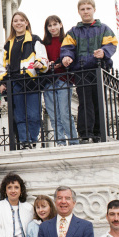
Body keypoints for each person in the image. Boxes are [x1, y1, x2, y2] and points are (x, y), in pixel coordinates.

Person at [60, 0, 118, 143]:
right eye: (82, 9)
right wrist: (67, 57)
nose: (86, 12)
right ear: (79, 12)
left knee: (98, 101)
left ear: (94, 10)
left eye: (88, 8)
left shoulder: (104, 28)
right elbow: (67, 48)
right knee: (84, 103)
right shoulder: (73, 32)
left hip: (99, 70)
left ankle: (98, 133)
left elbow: (111, 44)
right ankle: (85, 134)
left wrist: (104, 52)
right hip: (81, 71)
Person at [0, 11, 48, 149]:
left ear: (26, 22)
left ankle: (32, 140)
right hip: (15, 82)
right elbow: (3, 65)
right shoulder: (8, 44)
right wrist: (2, 82)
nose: (18, 23)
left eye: (21, 20)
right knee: (19, 115)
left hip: (31, 81)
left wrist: (40, 63)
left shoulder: (34, 39)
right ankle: (24, 142)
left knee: (34, 114)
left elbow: (42, 56)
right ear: (12, 24)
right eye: (15, 21)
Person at [42, 16, 78, 146]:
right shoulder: (43, 43)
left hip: (63, 79)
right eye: (49, 25)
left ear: (61, 25)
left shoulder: (66, 40)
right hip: (48, 81)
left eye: (55, 24)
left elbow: (72, 56)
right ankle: (60, 142)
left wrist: (59, 64)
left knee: (65, 113)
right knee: (53, 115)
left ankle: (73, 141)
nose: (52, 28)